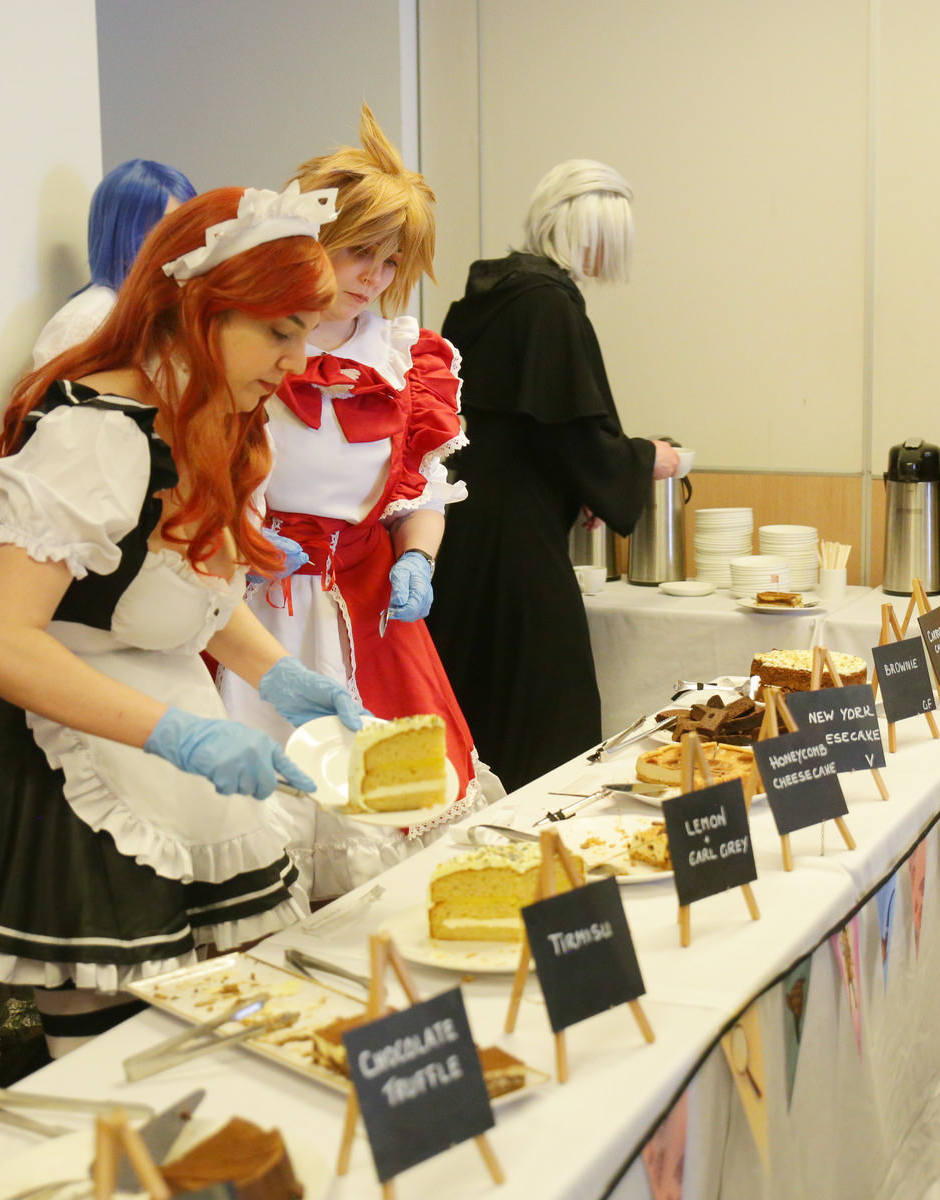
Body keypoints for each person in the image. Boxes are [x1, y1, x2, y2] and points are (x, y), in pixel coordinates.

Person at [0, 184, 364, 1054]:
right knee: (106, 1030)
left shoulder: (217, 416)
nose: (296, 360)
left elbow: (181, 592)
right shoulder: (97, 433)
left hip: (158, 713)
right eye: (280, 331)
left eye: (306, 333)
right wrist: (180, 737)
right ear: (198, 309)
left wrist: (280, 676)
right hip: (61, 736)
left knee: (202, 1013)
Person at [219, 107, 499, 898]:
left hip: (368, 610)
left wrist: (418, 559)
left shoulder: (406, 358)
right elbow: (203, 477)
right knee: (255, 827)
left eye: (390, 259)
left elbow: (420, 490)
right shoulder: (250, 341)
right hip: (256, 608)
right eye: (358, 251)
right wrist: (246, 544)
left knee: (387, 821)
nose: (373, 275)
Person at [428, 160, 680, 791]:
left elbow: (528, 425)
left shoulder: (495, 295)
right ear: (588, 232)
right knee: (550, 699)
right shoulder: (547, 303)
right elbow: (572, 431)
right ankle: (539, 824)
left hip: (468, 523)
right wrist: (645, 458)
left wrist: (580, 484)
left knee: (480, 682)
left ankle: (477, 817)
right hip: (518, 537)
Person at [31, 158, 198, 368]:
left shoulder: (181, 311)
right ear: (122, 231)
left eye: (188, 224)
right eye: (165, 227)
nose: (183, 239)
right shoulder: (88, 320)